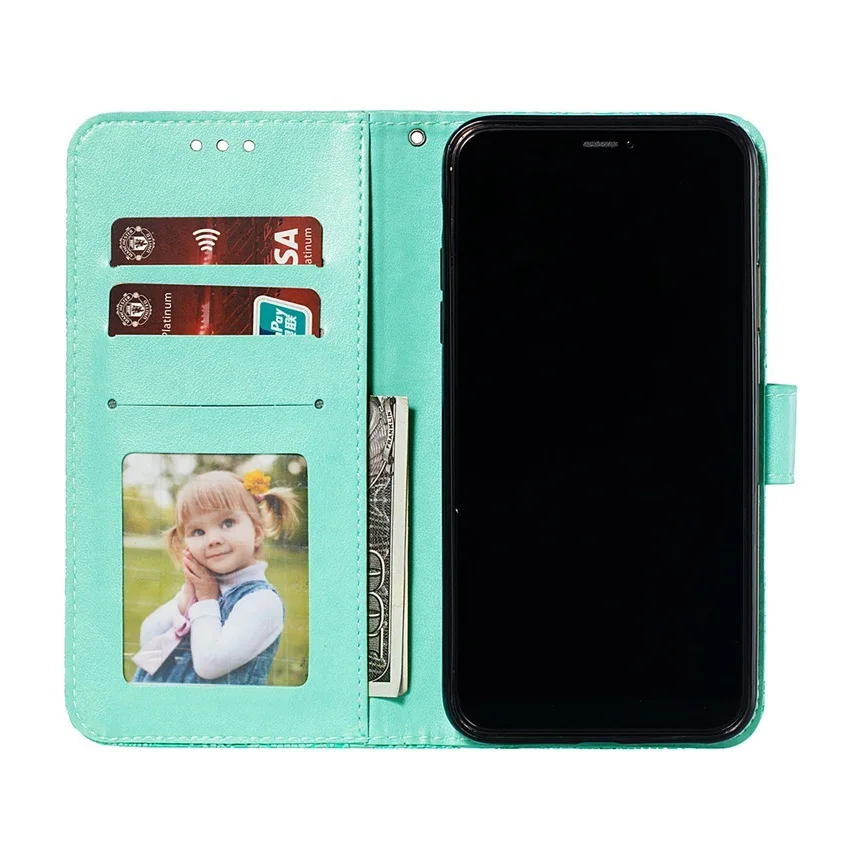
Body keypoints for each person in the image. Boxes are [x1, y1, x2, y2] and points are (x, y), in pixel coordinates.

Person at [132, 469, 299, 684]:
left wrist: (206, 600)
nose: (213, 539)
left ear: (257, 533)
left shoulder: (262, 602)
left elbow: (209, 665)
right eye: (198, 532)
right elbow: (148, 640)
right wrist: (186, 600)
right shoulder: (203, 589)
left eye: (227, 523)